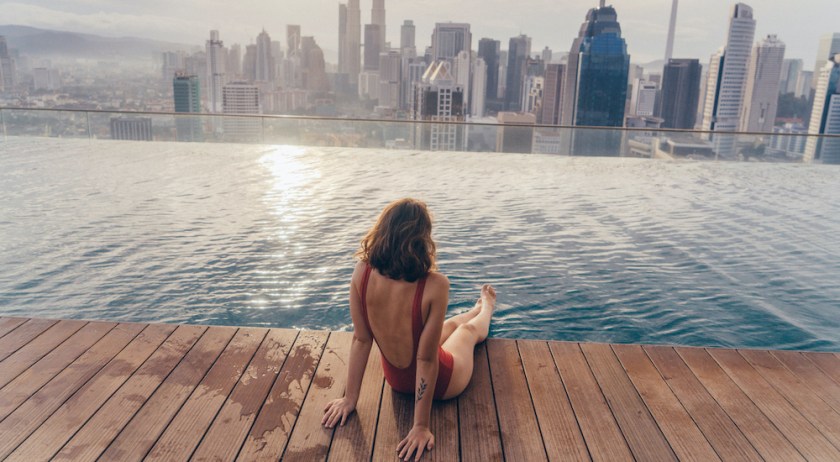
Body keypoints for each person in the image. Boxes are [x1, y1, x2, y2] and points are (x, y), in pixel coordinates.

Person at [321, 198, 496, 461]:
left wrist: (350, 399)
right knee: (467, 332)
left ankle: (474, 308)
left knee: (448, 326)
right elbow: (426, 359)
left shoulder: (362, 272)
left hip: (396, 380)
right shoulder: (436, 284)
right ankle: (487, 308)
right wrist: (420, 426)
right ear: (422, 239)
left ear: (383, 231)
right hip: (443, 385)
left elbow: (361, 339)